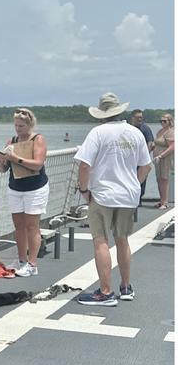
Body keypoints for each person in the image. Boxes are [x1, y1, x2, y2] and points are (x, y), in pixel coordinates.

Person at [75, 92, 152, 306]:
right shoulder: (135, 133)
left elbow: (84, 165)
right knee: (123, 240)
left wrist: (84, 189)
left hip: (102, 194)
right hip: (128, 196)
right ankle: (126, 287)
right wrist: (135, 183)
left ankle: (105, 292)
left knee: (101, 241)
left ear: (102, 114)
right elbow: (146, 165)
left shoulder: (98, 132)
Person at [0, 108, 49, 277]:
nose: (18, 129)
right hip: (15, 187)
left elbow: (37, 164)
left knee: (32, 226)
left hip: (35, 187)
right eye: (16, 125)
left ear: (30, 124)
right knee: (19, 226)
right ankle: (21, 259)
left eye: (22, 126)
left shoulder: (38, 139)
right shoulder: (12, 140)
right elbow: (4, 169)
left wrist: (15, 158)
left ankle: (33, 263)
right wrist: (1, 160)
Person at [129, 109, 155, 205]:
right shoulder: (128, 128)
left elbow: (151, 143)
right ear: (132, 118)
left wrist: (144, 156)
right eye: (138, 117)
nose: (140, 119)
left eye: (141, 117)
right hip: (130, 159)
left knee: (141, 180)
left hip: (141, 160)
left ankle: (138, 199)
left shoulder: (145, 128)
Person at [152, 112, 175, 209]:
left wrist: (161, 155)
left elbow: (172, 146)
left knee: (164, 179)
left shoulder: (170, 132)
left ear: (170, 122)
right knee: (159, 179)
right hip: (157, 159)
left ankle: (165, 202)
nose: (162, 123)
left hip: (165, 158)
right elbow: (156, 142)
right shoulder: (160, 131)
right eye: (161, 121)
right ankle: (161, 200)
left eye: (164, 121)